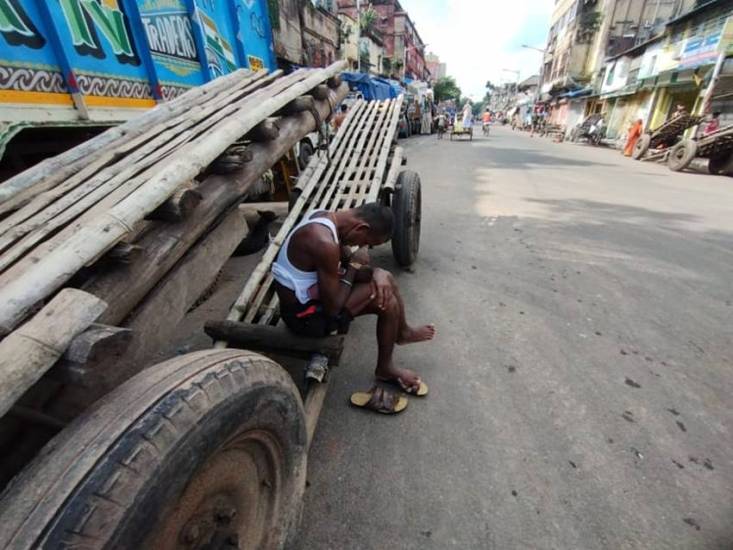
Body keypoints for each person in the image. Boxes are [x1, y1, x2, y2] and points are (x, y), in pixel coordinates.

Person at [272, 204, 436, 409]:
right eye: (366, 242)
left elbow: (346, 262)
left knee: (384, 279)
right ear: (361, 228)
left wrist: (376, 271)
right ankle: (387, 364)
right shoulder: (323, 242)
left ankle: (401, 333)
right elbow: (333, 309)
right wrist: (355, 266)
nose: (362, 246)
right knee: (385, 298)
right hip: (304, 319)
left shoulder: (324, 217)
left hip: (311, 297)